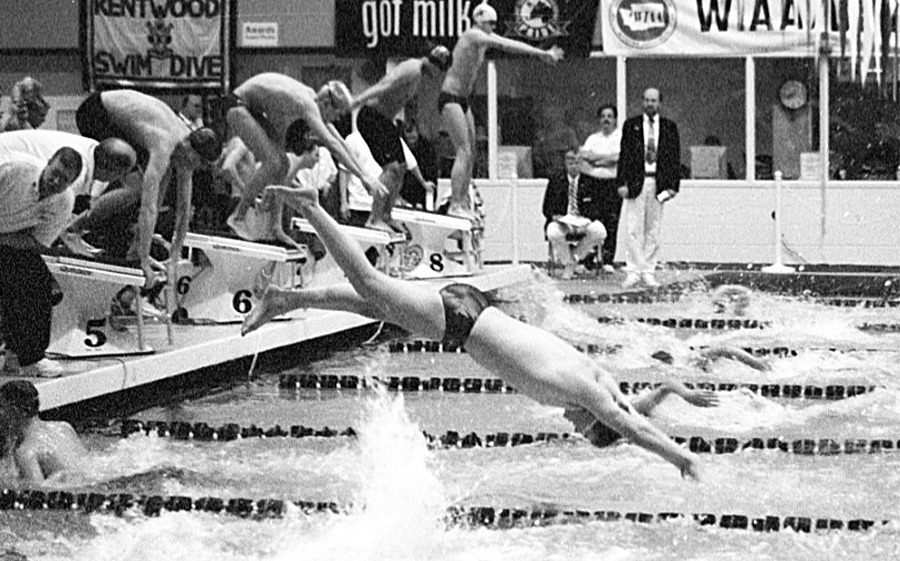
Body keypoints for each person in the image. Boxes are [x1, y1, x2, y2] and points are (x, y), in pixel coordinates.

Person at [242, 184, 703, 479]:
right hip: (460, 322)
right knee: (370, 283)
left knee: (372, 306)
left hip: (473, 309)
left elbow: (630, 410)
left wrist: (669, 390)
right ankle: (314, 209)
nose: (572, 424)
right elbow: (628, 425)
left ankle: (287, 300)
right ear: (596, 418)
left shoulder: (600, 379)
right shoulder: (587, 394)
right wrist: (680, 458)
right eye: (583, 428)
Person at [74, 89, 223, 285]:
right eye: (201, 162)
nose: (198, 168)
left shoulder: (186, 149)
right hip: (96, 112)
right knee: (137, 188)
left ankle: (136, 248)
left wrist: (174, 258)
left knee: (164, 176)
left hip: (121, 121)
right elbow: (149, 207)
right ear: (190, 150)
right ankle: (74, 229)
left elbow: (184, 210)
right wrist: (144, 261)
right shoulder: (164, 143)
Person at [223, 73, 389, 241]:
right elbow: (332, 145)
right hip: (237, 105)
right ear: (327, 105)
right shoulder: (307, 105)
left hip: (253, 109)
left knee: (284, 165)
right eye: (338, 114)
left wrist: (365, 176)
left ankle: (275, 227)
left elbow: (340, 142)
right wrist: (362, 177)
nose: (338, 119)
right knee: (273, 162)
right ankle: (237, 217)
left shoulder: (314, 101)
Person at [440, 1, 564, 221]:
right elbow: (507, 45)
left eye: (495, 24)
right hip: (450, 98)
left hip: (463, 100)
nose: (493, 28)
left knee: (472, 154)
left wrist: (540, 54)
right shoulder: (472, 36)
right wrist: (542, 53)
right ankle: (455, 203)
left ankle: (463, 199)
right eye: (490, 23)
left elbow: (504, 41)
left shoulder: (483, 38)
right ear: (480, 22)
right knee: (463, 151)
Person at [349, 46, 451, 232]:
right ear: (436, 66)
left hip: (385, 121)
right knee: (392, 168)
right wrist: (358, 100)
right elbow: (383, 86)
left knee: (402, 167)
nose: (438, 76)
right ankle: (374, 218)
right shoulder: (412, 69)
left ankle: (387, 215)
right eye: (441, 71)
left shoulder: (419, 74)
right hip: (371, 117)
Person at [0, 149, 83, 377]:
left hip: (6, 238)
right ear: (47, 164)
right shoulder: (13, 171)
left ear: (71, 183)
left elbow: (35, 242)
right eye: (54, 173)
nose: (55, 181)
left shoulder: (64, 202)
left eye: (64, 180)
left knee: (36, 278)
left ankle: (26, 356)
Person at [0, 130, 137, 256]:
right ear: (111, 170)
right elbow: (55, 219)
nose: (120, 180)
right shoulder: (75, 172)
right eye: (121, 174)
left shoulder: (95, 151)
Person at [617, 88, 680, 289]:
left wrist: (673, 187)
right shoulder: (631, 125)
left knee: (653, 229)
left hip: (658, 183)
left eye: (653, 100)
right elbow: (624, 156)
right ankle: (634, 271)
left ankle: (648, 271)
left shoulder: (669, 127)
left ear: (659, 103)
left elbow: (674, 159)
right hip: (637, 181)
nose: (649, 104)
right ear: (642, 102)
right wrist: (621, 183)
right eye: (646, 100)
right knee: (633, 228)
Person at [564, 381, 719, 448]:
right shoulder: (582, 432)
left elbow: (667, 387)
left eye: (569, 410)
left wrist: (687, 393)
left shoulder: (622, 414)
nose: (566, 416)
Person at [0, 380, 86, 486]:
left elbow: (36, 494)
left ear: (15, 410)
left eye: (1, 407)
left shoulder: (26, 452)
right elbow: (87, 467)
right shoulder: (64, 428)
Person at [542, 148, 607, 280]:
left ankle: (572, 262)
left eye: (577, 161)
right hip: (563, 221)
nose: (573, 164)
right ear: (565, 163)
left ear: (581, 163)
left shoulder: (590, 182)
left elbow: (597, 208)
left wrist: (587, 219)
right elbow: (546, 208)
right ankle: (569, 262)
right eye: (570, 161)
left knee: (600, 231)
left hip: (582, 221)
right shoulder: (555, 181)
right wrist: (556, 217)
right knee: (552, 232)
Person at [579, 103, 622, 273]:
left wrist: (597, 159)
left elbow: (619, 157)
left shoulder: (620, 137)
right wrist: (608, 159)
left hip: (612, 184)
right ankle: (589, 260)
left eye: (609, 116)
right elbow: (585, 156)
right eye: (603, 116)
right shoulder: (593, 139)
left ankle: (607, 260)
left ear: (615, 120)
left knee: (611, 222)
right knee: (593, 221)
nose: (606, 119)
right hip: (593, 183)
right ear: (599, 119)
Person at [400, 118, 439, 210]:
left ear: (417, 132)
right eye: (408, 135)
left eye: (413, 134)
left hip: (423, 187)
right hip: (403, 188)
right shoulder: (400, 146)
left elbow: (431, 172)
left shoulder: (427, 149)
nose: (411, 137)